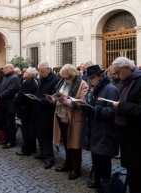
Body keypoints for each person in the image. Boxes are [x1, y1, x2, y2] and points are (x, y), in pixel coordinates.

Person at [47, 64, 88, 180]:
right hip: (61, 115)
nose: (65, 80)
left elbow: (83, 102)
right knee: (65, 142)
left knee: (74, 145)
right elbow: (58, 95)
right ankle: (67, 163)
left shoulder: (82, 84)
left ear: (73, 75)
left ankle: (76, 168)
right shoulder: (61, 82)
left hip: (74, 118)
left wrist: (65, 101)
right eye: (63, 77)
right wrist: (52, 99)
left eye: (67, 78)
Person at [83, 65, 120, 193]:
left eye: (92, 78)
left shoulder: (110, 89)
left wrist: (98, 110)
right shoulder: (93, 88)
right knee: (95, 157)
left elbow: (114, 111)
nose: (90, 80)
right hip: (94, 128)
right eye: (89, 78)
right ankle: (97, 180)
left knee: (104, 159)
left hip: (106, 130)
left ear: (100, 76)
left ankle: (105, 184)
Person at [111, 57, 141, 192]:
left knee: (136, 170)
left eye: (117, 72)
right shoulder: (127, 82)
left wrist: (121, 106)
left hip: (137, 136)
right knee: (132, 170)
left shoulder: (139, 82)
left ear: (127, 68)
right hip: (128, 134)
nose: (116, 76)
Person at [28, 61, 60, 169]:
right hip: (39, 108)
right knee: (39, 132)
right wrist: (35, 97)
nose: (40, 73)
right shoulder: (42, 78)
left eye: (42, 71)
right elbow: (39, 91)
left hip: (47, 111)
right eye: (39, 71)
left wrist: (41, 101)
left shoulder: (55, 80)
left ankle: (49, 157)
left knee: (46, 135)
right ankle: (42, 152)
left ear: (48, 69)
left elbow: (53, 96)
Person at [0, 64, 20, 149]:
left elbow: (10, 91)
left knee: (10, 125)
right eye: (4, 68)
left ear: (12, 69)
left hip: (10, 104)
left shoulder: (14, 78)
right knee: (5, 124)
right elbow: (0, 89)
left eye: (6, 68)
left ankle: (12, 142)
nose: (4, 69)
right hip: (3, 104)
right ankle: (7, 139)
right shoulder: (5, 77)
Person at [15, 67, 38, 156]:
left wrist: (16, 101)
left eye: (25, 72)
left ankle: (26, 149)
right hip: (29, 108)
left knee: (26, 131)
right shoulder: (32, 82)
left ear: (29, 75)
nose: (24, 73)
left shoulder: (27, 83)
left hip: (25, 109)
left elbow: (21, 96)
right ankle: (32, 148)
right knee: (29, 130)